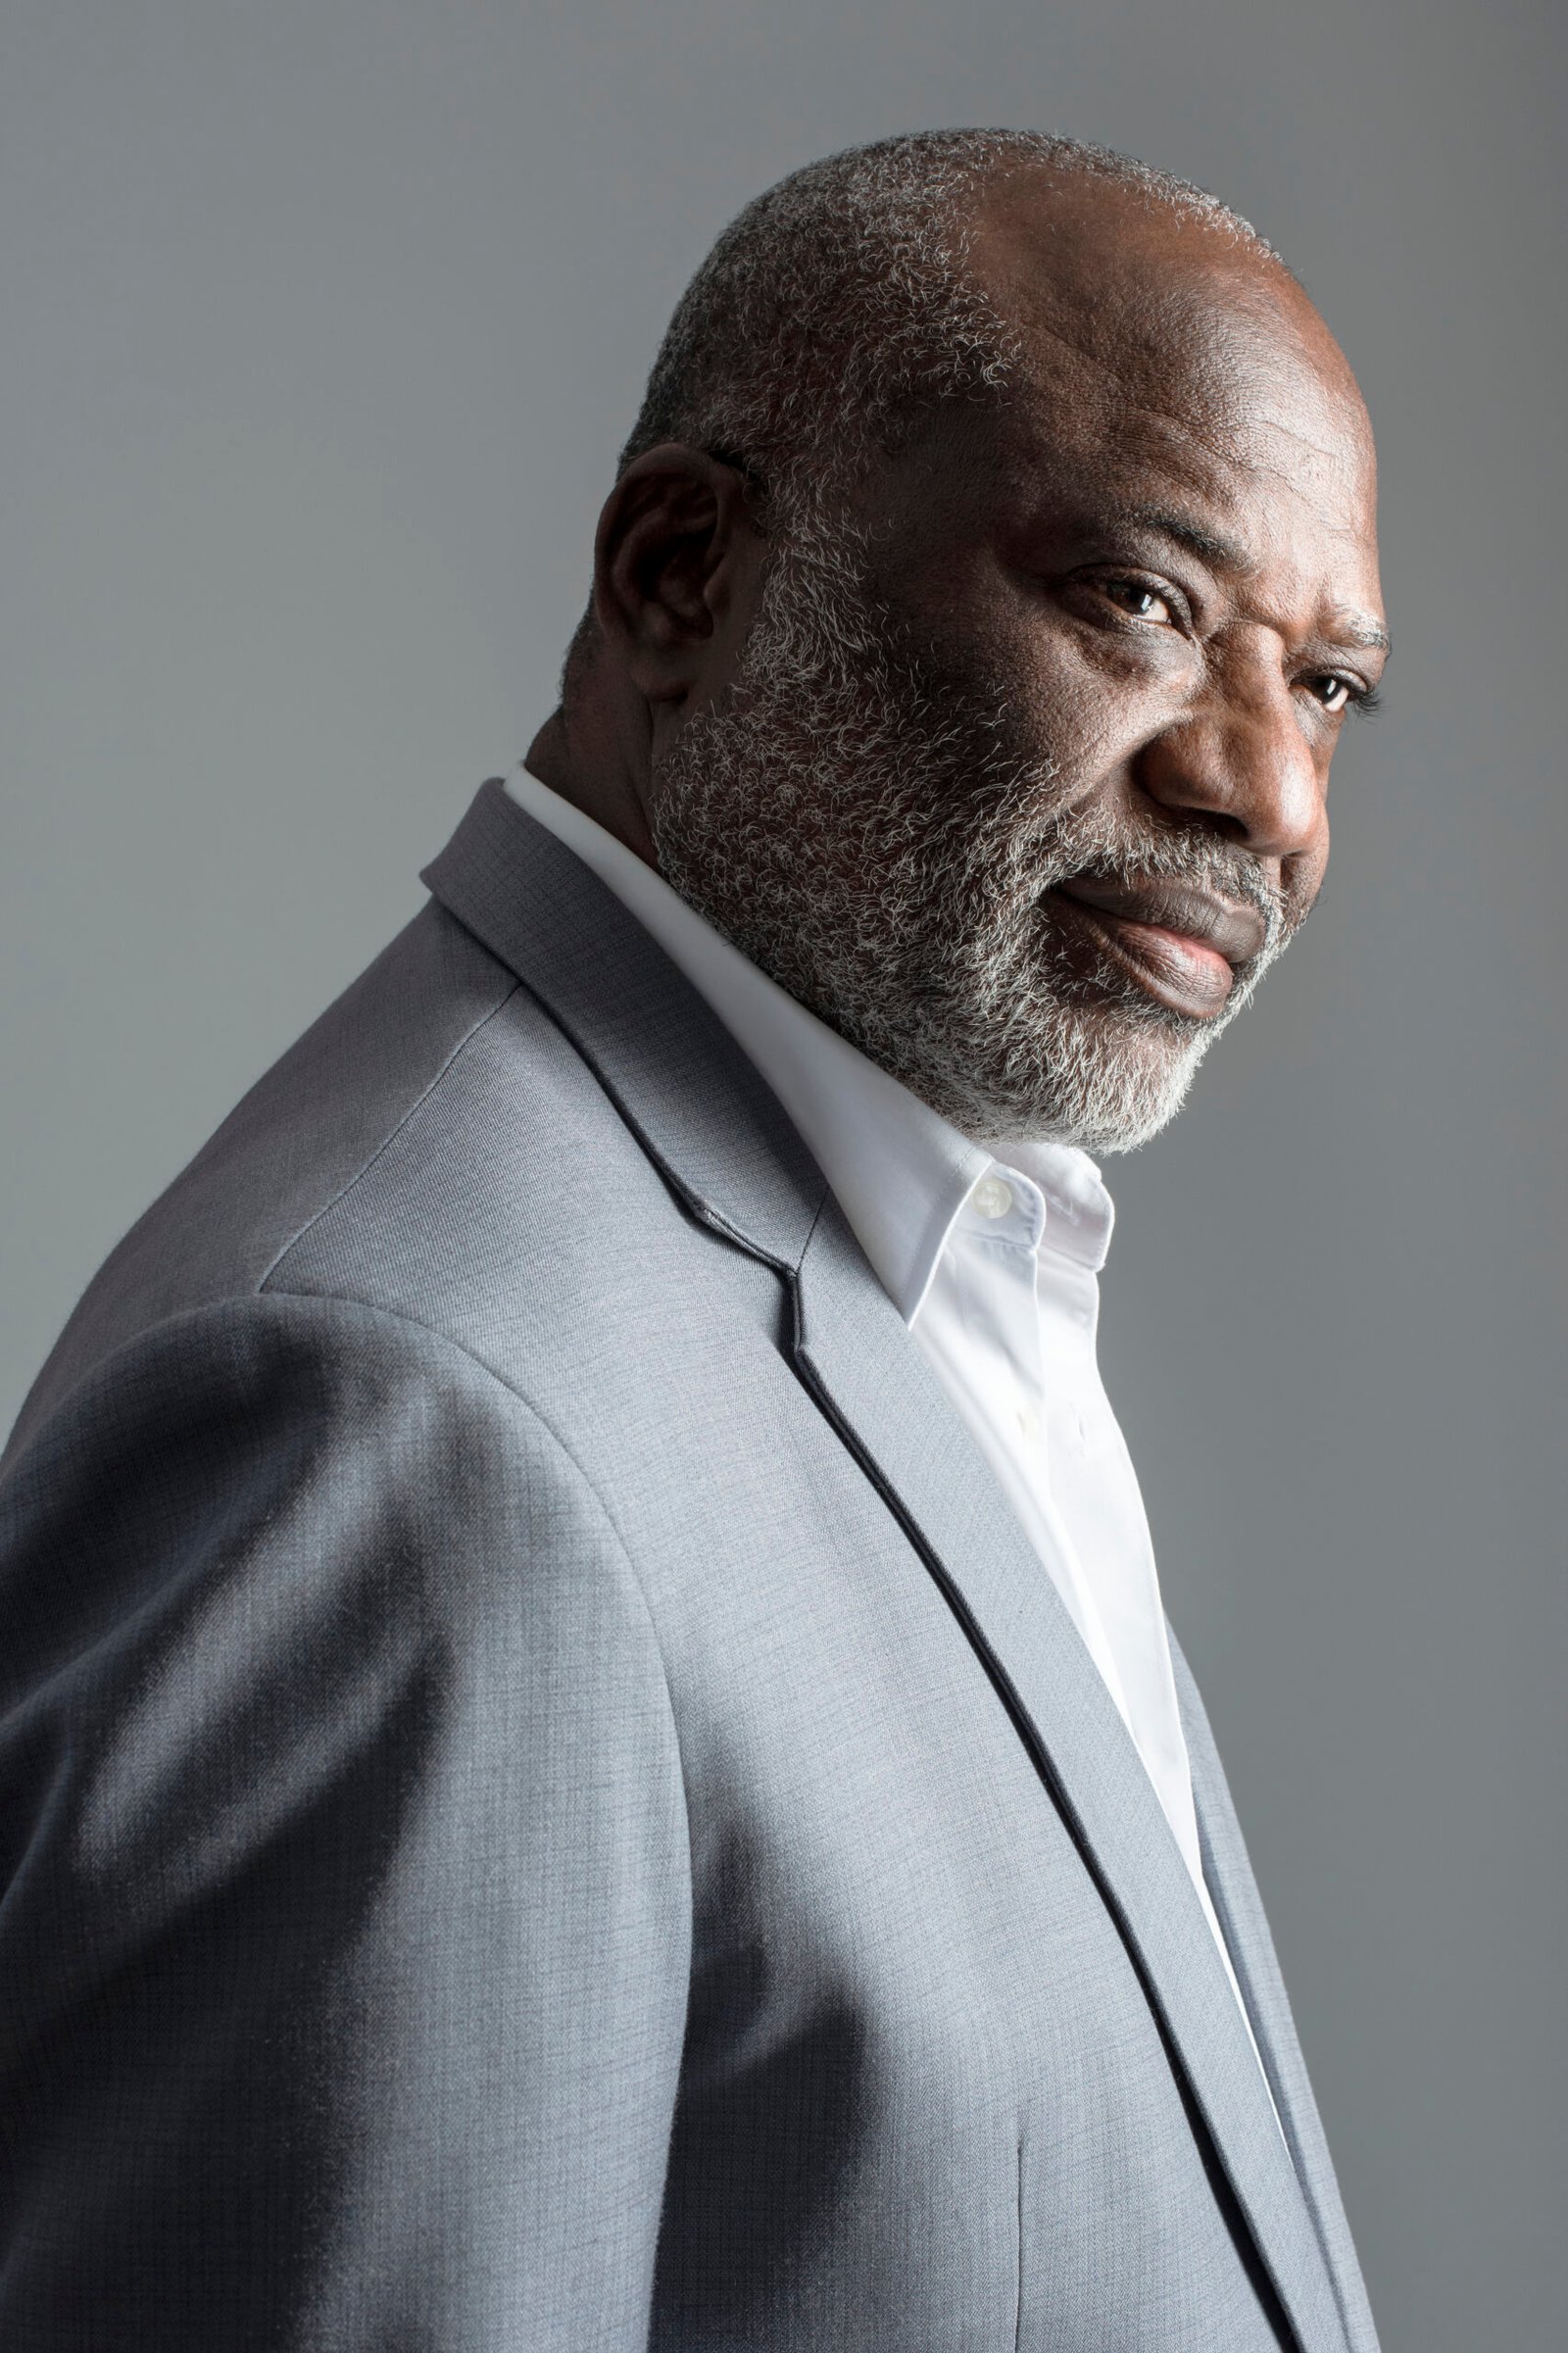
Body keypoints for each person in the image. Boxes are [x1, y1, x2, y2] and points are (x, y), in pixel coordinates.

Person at [0, 128, 1389, 2350]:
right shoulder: (398, 1420)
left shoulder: (942, 1252)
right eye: (1138, 600)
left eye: (1323, 686)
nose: (1267, 795)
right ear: (678, 566)